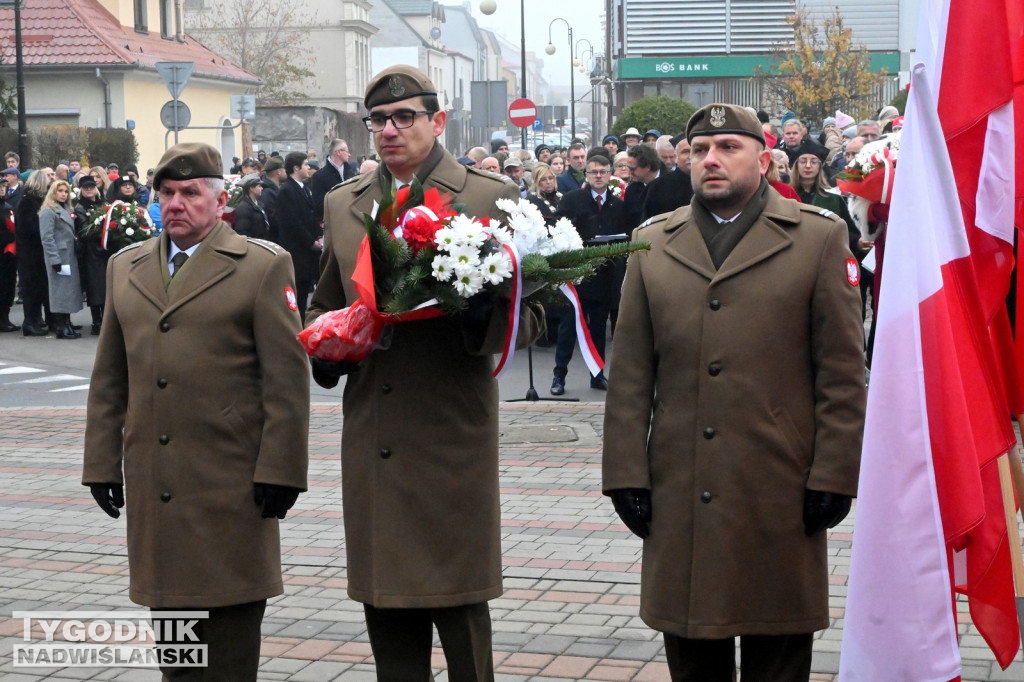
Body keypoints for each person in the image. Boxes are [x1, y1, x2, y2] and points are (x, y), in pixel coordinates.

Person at [603, 103, 865, 681]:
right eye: (699, 150)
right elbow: (629, 377)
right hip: (682, 490)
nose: (711, 160)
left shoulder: (817, 240)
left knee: (778, 656)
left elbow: (843, 373)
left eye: (728, 147)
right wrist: (625, 473)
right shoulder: (653, 245)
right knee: (693, 657)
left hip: (779, 489)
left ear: (765, 159)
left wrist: (834, 475)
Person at [307, 64, 544, 681]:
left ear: (437, 121)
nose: (388, 129)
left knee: (461, 611)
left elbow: (534, 317)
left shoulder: (490, 198)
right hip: (375, 430)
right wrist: (329, 346)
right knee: (386, 612)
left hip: (449, 431)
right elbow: (322, 304)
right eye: (377, 120)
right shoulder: (344, 203)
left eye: (403, 116)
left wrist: (477, 309)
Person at [82, 142, 310, 682]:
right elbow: (109, 378)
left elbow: (287, 380)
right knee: (177, 657)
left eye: (190, 192)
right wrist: (99, 464)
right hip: (156, 487)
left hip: (230, 486)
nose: (176, 203)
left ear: (219, 198)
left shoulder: (260, 264)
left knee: (228, 654)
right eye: (166, 193)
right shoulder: (125, 267)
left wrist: (282, 470)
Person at [551, 153, 628, 394]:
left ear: (609, 174)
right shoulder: (573, 199)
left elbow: (624, 235)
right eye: (593, 172)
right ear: (586, 175)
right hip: (576, 274)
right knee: (568, 327)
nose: (598, 176)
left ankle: (597, 373)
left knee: (597, 328)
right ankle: (559, 376)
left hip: (603, 276)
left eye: (603, 172)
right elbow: (558, 230)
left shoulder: (617, 204)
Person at [273, 152, 320, 321]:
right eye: (306, 164)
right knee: (297, 292)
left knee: (305, 290)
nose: (309, 168)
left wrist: (319, 236)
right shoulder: (287, 190)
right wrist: (311, 242)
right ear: (296, 167)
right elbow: (292, 223)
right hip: (298, 251)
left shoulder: (303, 187)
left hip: (307, 251)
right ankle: (296, 326)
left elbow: (311, 216)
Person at [38, 179, 83, 339]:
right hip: (58, 256)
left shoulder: (65, 209)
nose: (63, 194)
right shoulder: (48, 211)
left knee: (68, 291)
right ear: (53, 192)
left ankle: (67, 324)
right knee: (60, 292)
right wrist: (54, 260)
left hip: (69, 255)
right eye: (60, 191)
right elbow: (47, 238)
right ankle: (60, 327)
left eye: (65, 191)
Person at [15, 169, 51, 336]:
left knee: (38, 288)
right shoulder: (28, 202)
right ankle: (30, 321)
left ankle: (36, 319)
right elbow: (26, 227)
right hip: (30, 253)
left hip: (36, 252)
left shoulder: (35, 201)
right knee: (30, 288)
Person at [73, 176, 109, 335]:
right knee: (95, 287)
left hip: (106, 250)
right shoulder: (80, 208)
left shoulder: (104, 204)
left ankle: (107, 320)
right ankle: (97, 321)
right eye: (86, 187)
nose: (89, 189)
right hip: (90, 252)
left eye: (91, 186)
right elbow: (83, 232)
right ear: (81, 190)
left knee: (107, 287)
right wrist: (103, 229)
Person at [311, 138, 358, 225]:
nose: (349, 154)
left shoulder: (351, 172)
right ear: (339, 152)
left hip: (351, 222)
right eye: (347, 151)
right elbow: (318, 206)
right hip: (332, 223)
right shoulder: (319, 176)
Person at [0, 177, 17, 331]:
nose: (2, 188)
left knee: (7, 286)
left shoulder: (7, 207)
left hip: (8, 254)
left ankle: (4, 317)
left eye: (4, 186)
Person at [232, 173, 270, 240]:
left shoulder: (259, 205)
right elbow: (242, 233)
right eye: (259, 186)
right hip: (253, 245)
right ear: (251, 188)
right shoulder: (243, 208)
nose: (262, 188)